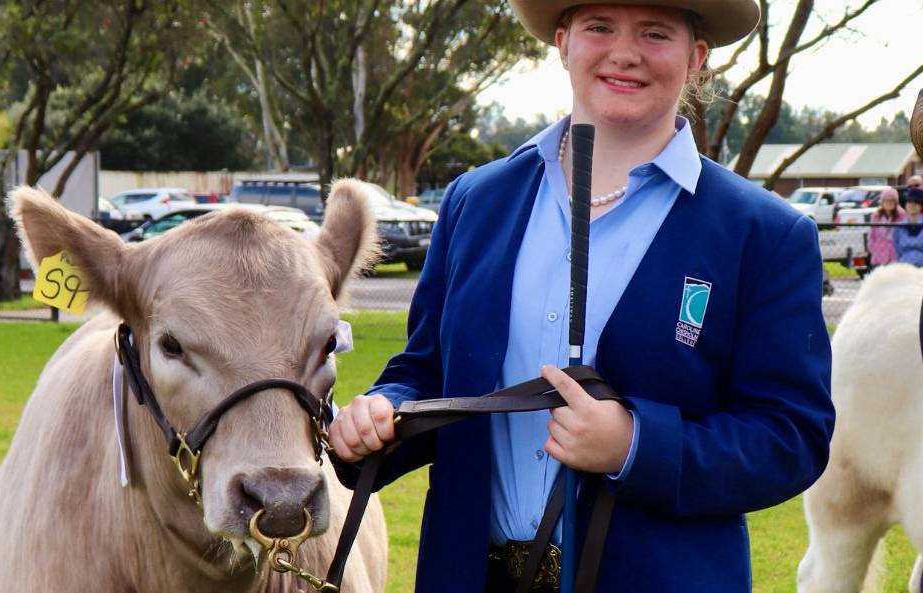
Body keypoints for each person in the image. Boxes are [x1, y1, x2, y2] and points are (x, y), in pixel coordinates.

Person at [328, 1, 834, 593]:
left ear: (696, 59)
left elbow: (789, 437)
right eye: (600, 28)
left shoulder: (765, 234)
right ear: (564, 42)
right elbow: (428, 371)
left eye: (655, 33)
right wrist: (384, 410)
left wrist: (635, 446)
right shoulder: (476, 200)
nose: (625, 52)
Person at [868, 186, 907, 266]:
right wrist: (874, 251)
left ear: (896, 202)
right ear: (882, 201)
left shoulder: (903, 216)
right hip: (879, 257)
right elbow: (871, 236)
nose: (889, 202)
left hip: (897, 257)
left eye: (892, 200)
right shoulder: (876, 216)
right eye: (887, 200)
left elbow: (904, 236)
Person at [894, 188, 923, 266]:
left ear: (921, 206)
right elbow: (897, 250)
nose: (912, 205)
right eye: (909, 202)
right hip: (904, 267)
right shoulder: (899, 227)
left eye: (916, 202)